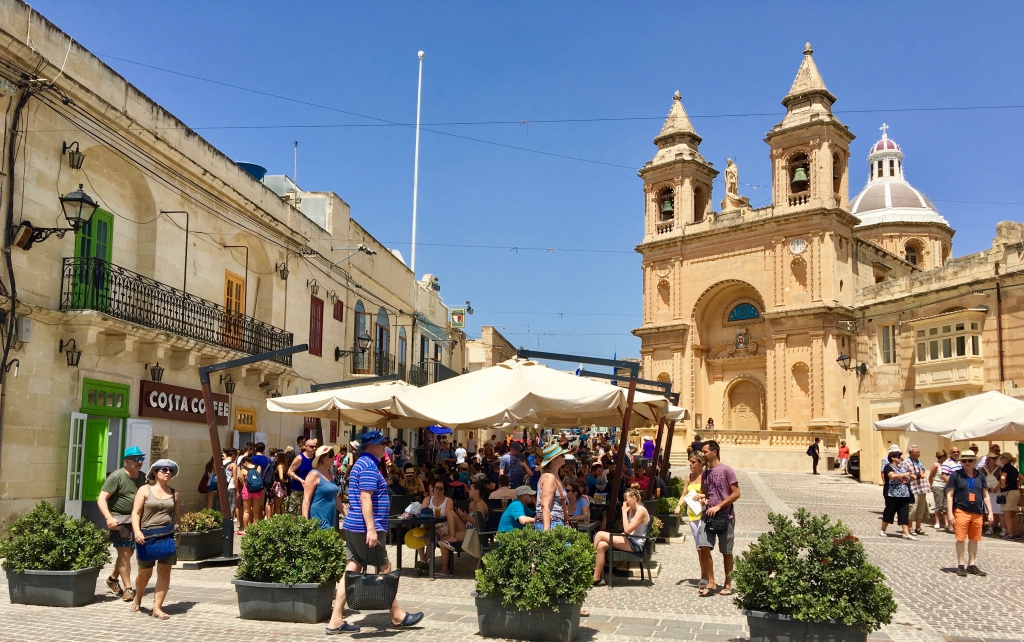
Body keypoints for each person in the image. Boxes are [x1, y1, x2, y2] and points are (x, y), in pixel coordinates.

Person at [327, 430, 423, 633]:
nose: (384, 447)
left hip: (354, 525)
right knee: (384, 567)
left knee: (352, 568)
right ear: (370, 446)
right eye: (381, 444)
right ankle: (397, 615)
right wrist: (371, 528)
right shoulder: (369, 466)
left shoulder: (361, 464)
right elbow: (365, 498)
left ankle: (335, 619)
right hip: (365, 527)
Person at [129, 459, 180, 619]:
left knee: (165, 571)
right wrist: (137, 531)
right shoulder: (144, 490)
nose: (167, 472)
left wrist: (178, 534)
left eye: (170, 471)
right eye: (164, 470)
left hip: (166, 535)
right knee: (145, 573)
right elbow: (136, 513)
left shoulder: (174, 493)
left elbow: (176, 517)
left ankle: (157, 608)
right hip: (146, 536)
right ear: (155, 472)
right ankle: (138, 598)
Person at [98, 446, 147, 603]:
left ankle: (113, 578)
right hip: (119, 520)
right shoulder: (116, 476)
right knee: (125, 553)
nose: (140, 462)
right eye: (136, 459)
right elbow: (101, 499)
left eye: (141, 459)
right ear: (126, 461)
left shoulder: (143, 478)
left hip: (137, 521)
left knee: (128, 553)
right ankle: (128, 589)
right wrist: (108, 517)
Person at [698, 440, 740, 597]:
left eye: (705, 451)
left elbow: (736, 493)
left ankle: (728, 583)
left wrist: (719, 506)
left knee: (726, 551)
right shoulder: (705, 474)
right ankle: (711, 581)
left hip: (725, 516)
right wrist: (703, 499)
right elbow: (706, 493)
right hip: (708, 516)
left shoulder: (727, 470)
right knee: (703, 547)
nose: (702, 454)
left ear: (714, 452)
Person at [945, 450, 993, 577]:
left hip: (977, 511)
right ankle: (960, 565)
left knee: (974, 539)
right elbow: (949, 495)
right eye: (964, 460)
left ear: (974, 461)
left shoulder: (980, 475)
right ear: (961, 462)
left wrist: (990, 512)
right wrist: (950, 513)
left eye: (970, 460)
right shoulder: (956, 475)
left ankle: (971, 565)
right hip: (961, 510)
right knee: (960, 539)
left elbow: (985, 495)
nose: (967, 463)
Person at [592, 487, 650, 586]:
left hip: (636, 544)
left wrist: (623, 511)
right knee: (601, 545)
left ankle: (589, 565)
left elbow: (627, 530)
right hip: (629, 539)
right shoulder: (632, 510)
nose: (625, 503)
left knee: (599, 534)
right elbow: (626, 530)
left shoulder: (641, 511)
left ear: (634, 498)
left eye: (626, 500)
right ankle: (596, 577)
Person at [674, 451, 708, 589]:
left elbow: (712, 494)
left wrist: (702, 496)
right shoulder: (689, 476)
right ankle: (704, 574)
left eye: (693, 462)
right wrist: (678, 506)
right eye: (690, 461)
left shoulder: (706, 476)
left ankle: (707, 576)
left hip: (705, 514)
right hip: (693, 515)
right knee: (699, 548)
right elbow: (684, 494)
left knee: (705, 547)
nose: (690, 464)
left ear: (701, 463)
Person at [302, 446, 343, 530]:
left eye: (333, 454)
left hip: (330, 517)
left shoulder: (329, 472)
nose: (333, 457)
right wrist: (305, 522)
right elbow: (306, 499)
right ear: (321, 458)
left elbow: (334, 496)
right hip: (318, 518)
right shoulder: (314, 474)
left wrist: (345, 512)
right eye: (330, 454)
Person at [536, 442, 570, 531]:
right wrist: (547, 532)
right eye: (562, 455)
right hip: (552, 524)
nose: (564, 457)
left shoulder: (554, 476)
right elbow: (545, 506)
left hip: (557, 523)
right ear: (554, 459)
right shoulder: (549, 477)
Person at [880, 451, 914, 539]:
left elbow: (905, 479)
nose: (900, 458)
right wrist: (904, 474)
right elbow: (893, 476)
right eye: (898, 457)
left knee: (904, 513)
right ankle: (883, 530)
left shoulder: (900, 468)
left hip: (904, 494)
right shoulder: (888, 467)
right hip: (892, 494)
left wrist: (912, 477)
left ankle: (906, 533)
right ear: (892, 458)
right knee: (889, 512)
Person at [905, 445, 930, 536]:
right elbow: (904, 475)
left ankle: (918, 527)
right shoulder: (906, 463)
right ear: (910, 453)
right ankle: (910, 527)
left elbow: (923, 473)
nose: (917, 454)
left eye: (918, 452)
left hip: (922, 488)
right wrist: (913, 476)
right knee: (913, 508)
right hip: (913, 488)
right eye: (915, 452)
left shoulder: (919, 462)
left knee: (921, 509)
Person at [236, 454, 264, 535]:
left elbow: (242, 481)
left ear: (245, 462)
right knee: (256, 511)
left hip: (247, 491)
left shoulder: (243, 470)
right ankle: (255, 529)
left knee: (246, 511)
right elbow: (260, 478)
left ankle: (245, 529)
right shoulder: (258, 467)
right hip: (258, 491)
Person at [287, 439, 316, 514]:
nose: (314, 448)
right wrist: (300, 480)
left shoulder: (316, 459)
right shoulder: (300, 458)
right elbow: (290, 471)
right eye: (312, 447)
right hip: (298, 489)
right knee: (294, 512)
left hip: (312, 490)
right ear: (306, 447)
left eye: (315, 446)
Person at [996, 452, 1020, 540]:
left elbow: (1003, 478)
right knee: (1013, 514)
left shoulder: (1005, 468)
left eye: (1001, 458)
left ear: (1005, 459)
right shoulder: (1013, 468)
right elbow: (1021, 477)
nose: (1000, 460)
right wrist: (1016, 485)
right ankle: (1016, 533)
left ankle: (1010, 534)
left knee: (1007, 514)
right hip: (1015, 491)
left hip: (1008, 492)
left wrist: (1002, 485)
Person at [982, 452, 1003, 536]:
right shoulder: (982, 469)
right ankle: (990, 527)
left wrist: (996, 488)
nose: (995, 460)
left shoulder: (999, 468)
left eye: (995, 458)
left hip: (997, 492)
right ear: (988, 459)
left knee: (998, 510)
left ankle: (998, 526)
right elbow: (981, 480)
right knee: (988, 510)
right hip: (987, 492)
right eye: (993, 458)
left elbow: (1002, 480)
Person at [929, 450, 949, 530]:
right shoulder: (936, 465)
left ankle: (946, 522)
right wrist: (931, 486)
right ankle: (937, 522)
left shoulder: (946, 465)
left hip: (945, 486)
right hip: (937, 485)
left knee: (945, 506)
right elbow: (930, 477)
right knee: (939, 504)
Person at [269, 450, 289, 518]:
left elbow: (281, 477)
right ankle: (282, 520)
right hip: (282, 487)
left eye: (276, 456)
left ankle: (277, 521)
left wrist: (284, 481)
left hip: (278, 486)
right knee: (282, 505)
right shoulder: (284, 465)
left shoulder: (280, 466)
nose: (275, 458)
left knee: (277, 506)